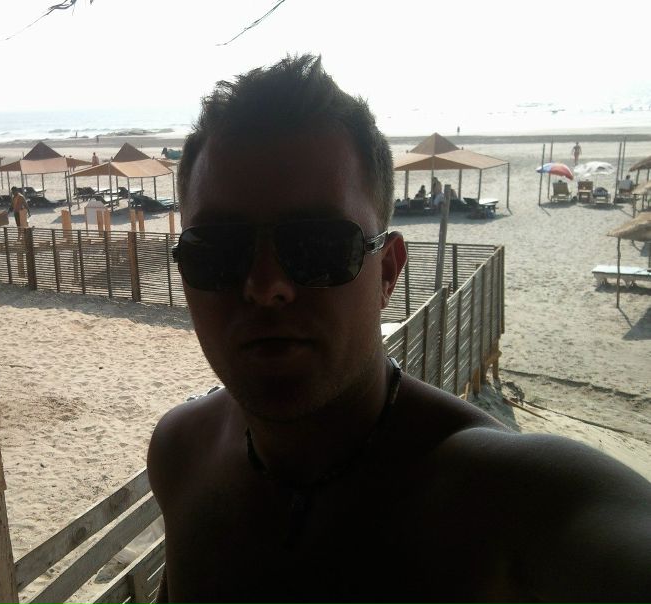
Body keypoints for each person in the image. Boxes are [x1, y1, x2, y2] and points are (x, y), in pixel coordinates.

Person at [147, 55, 651, 602]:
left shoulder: (508, 506)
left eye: (318, 245)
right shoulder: (178, 454)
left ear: (387, 272)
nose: (265, 285)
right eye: (216, 250)